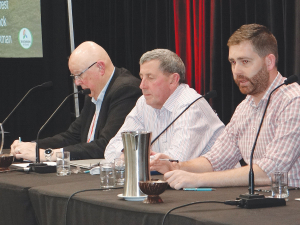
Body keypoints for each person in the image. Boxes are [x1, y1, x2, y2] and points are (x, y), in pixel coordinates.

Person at [151, 24, 300, 189]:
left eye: (245, 61)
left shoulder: (293, 101)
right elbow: (216, 159)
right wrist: (175, 166)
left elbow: (271, 171)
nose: (237, 71)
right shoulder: (245, 107)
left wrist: (199, 179)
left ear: (269, 61)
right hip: (262, 201)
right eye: (233, 62)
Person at [11, 41, 142, 162]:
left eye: (79, 75)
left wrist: (46, 155)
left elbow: (106, 145)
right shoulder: (92, 91)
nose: (77, 82)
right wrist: (32, 146)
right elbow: (72, 136)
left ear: (100, 68)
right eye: (74, 76)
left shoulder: (126, 90)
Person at [104, 49, 224, 163]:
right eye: (141, 77)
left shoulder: (191, 106)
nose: (142, 85)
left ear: (173, 80)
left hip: (219, 183)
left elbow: (176, 161)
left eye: (150, 78)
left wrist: (132, 157)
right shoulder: (144, 103)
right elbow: (111, 149)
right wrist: (125, 152)